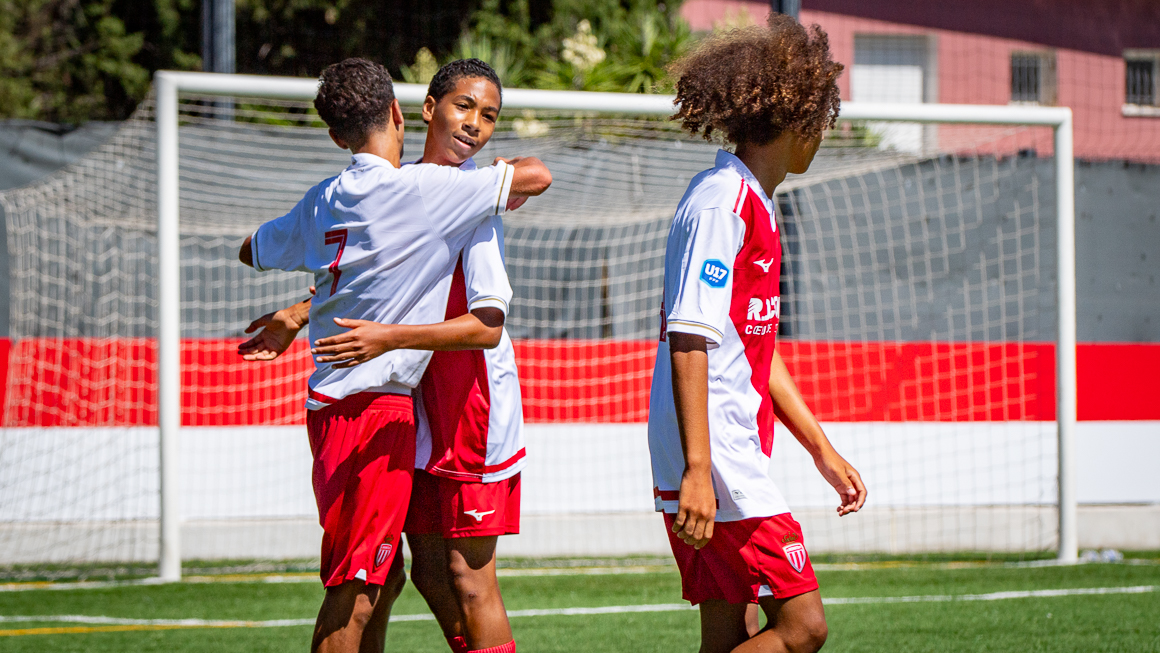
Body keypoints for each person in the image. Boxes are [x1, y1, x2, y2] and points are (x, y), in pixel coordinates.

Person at [237, 57, 550, 653]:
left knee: (452, 578)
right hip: (398, 406)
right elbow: (375, 278)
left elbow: (487, 325)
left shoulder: (466, 201)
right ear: (415, 111)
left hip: (468, 406)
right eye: (463, 106)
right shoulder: (422, 190)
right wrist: (302, 313)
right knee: (400, 577)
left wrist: (335, 321)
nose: (475, 123)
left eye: (489, 115)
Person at [647, 15, 867, 653]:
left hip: (725, 446)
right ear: (796, 120)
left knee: (731, 633)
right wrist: (699, 469)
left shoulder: (756, 202)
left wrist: (821, 450)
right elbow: (689, 337)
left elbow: (755, 349)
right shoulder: (722, 202)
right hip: (715, 454)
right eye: (820, 119)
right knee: (803, 628)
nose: (822, 135)